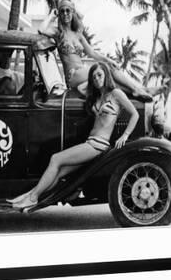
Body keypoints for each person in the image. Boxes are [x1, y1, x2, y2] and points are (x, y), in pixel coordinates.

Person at [7, 62, 139, 210]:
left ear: (107, 75)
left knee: (55, 159)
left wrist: (125, 136)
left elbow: (135, 114)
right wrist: (92, 79)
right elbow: (80, 87)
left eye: (100, 75)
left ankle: (32, 197)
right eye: (94, 77)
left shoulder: (116, 94)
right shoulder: (96, 95)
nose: (96, 79)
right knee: (58, 172)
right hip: (90, 143)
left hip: (98, 145)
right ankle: (29, 196)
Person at [38, 0, 156, 102]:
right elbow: (41, 29)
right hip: (73, 76)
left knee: (109, 73)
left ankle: (137, 91)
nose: (65, 14)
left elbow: (92, 53)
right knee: (105, 69)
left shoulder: (78, 34)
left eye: (68, 10)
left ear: (72, 12)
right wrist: (52, 15)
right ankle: (137, 89)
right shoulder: (58, 33)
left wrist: (109, 60)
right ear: (59, 13)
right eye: (62, 11)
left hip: (83, 71)